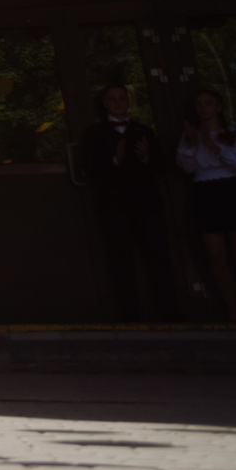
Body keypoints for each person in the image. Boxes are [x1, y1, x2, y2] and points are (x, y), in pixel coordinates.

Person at [82, 83, 175, 322]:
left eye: (122, 98)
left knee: (158, 255)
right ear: (105, 104)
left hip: (147, 203)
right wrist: (115, 159)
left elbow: (160, 166)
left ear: (128, 102)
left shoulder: (143, 130)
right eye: (112, 99)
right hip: (114, 205)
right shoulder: (95, 133)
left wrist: (145, 156)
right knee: (120, 258)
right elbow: (90, 169)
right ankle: (129, 314)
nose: (118, 102)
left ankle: (168, 311)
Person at [179, 89, 236, 320]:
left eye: (209, 103)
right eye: (199, 104)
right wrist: (194, 143)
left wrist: (214, 146)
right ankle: (232, 306)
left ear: (219, 108)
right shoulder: (190, 135)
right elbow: (187, 167)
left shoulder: (232, 133)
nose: (204, 108)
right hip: (205, 190)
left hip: (231, 188)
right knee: (216, 254)